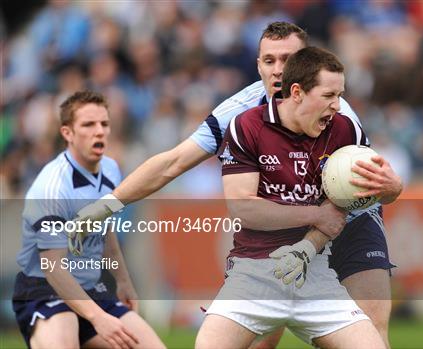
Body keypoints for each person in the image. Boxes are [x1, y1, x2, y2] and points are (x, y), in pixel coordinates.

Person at [75, 22, 401, 348]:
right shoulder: (239, 113)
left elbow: (350, 192)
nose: (277, 70)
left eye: (287, 59)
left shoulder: (336, 113)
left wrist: (391, 188)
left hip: (351, 221)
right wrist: (108, 204)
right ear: (257, 64)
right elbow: (173, 162)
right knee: (262, 340)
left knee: (371, 329)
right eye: (268, 60)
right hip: (287, 226)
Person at [196, 46, 386, 349]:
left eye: (340, 95)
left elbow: (351, 203)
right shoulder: (247, 126)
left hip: (316, 273)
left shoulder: (344, 130)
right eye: (328, 96)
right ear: (297, 92)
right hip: (255, 273)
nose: (338, 105)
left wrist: (393, 188)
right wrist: (314, 215)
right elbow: (243, 208)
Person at [12, 91, 165, 349]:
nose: (99, 131)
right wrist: (99, 318)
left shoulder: (111, 169)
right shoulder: (52, 186)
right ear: (67, 133)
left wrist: (123, 281)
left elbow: (105, 230)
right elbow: (53, 267)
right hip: (44, 288)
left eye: (104, 124)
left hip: (89, 287)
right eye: (88, 124)